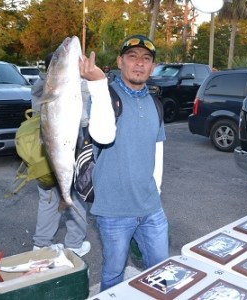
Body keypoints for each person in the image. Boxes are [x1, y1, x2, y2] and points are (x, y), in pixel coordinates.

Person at [79, 34, 169, 291]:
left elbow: (157, 149)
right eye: (132, 57)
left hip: (151, 207)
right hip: (114, 210)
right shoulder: (105, 95)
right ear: (120, 61)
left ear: (152, 67)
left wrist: (157, 191)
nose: (139, 63)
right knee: (113, 274)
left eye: (146, 59)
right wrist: (96, 84)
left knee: (162, 272)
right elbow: (103, 136)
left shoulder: (155, 102)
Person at [30, 51, 114, 257]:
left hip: (43, 155)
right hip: (69, 150)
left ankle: (41, 245)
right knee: (75, 196)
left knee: (48, 198)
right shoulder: (71, 86)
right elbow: (84, 119)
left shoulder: (39, 86)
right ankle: (74, 244)